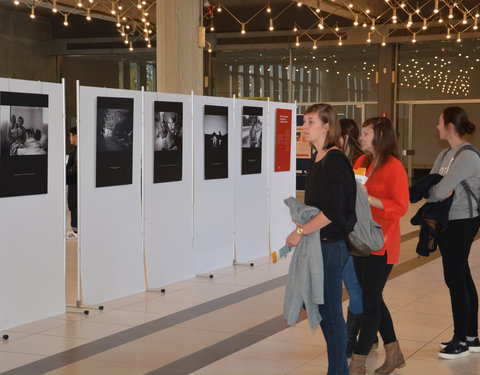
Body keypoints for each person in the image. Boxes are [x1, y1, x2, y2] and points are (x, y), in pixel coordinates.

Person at [286, 103, 356, 375]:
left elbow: (333, 212)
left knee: (331, 313)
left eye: (311, 121)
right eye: (304, 121)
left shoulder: (334, 160)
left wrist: (300, 231)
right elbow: (320, 207)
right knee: (326, 312)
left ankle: (338, 371)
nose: (304, 126)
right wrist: (303, 219)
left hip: (330, 247)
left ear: (327, 126)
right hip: (320, 245)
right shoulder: (318, 159)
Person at [349, 117, 409, 375]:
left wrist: (370, 199)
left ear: (380, 137)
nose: (361, 138)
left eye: (365, 133)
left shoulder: (395, 167)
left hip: (382, 244)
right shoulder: (361, 162)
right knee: (371, 297)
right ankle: (394, 353)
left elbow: (401, 207)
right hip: (360, 240)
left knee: (370, 302)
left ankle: (358, 362)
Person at [428, 107, 480, 359]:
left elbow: (438, 191)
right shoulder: (445, 154)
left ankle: (460, 340)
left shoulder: (467, 156)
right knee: (462, 275)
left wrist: (438, 189)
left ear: (450, 125)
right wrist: (437, 189)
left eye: (439, 122)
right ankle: (471, 336)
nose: (436, 127)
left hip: (464, 221)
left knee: (455, 278)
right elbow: (430, 186)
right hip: (449, 221)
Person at [339, 118, 370, 358]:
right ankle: (371, 332)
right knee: (360, 287)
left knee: (357, 287)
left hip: (356, 232)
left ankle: (351, 337)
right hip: (345, 230)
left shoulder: (361, 162)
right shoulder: (337, 159)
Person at [66, 127, 78, 238]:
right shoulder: (75, 150)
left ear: (76, 136)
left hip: (75, 182)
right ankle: (74, 230)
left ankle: (76, 231)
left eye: (70, 135)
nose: (69, 138)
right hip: (72, 182)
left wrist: (68, 171)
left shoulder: (78, 150)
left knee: (74, 205)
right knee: (72, 205)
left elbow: (76, 167)